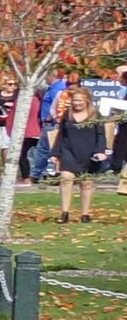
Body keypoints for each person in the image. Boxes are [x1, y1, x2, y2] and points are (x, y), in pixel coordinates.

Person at [52, 87, 109, 223]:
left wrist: (100, 151)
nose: (76, 103)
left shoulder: (96, 115)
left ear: (87, 101)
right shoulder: (67, 114)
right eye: (74, 100)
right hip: (69, 151)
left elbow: (101, 135)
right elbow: (61, 134)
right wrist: (55, 153)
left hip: (88, 153)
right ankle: (64, 213)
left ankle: (85, 214)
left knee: (86, 183)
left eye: (80, 101)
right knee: (66, 178)